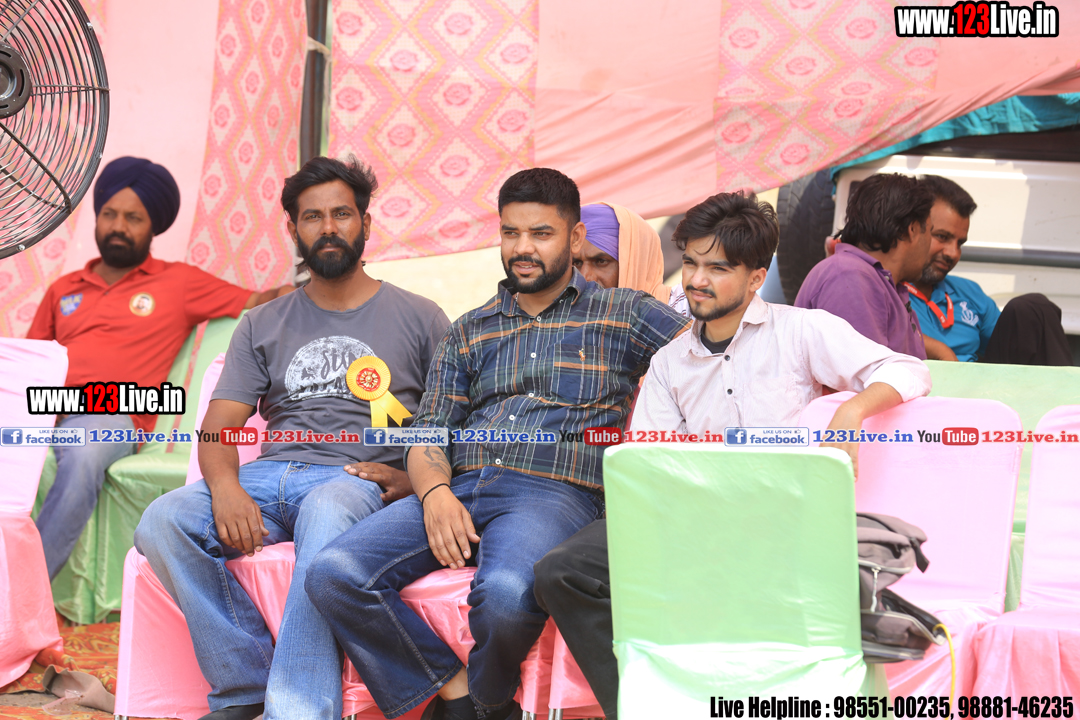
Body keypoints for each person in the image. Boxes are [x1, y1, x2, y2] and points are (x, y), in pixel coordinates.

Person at [304, 168, 691, 720]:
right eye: (512, 233)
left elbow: (711, 357)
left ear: (575, 238)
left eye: (541, 233)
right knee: (334, 574)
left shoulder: (623, 313)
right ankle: (458, 693)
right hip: (460, 486)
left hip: (554, 492)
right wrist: (435, 494)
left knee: (507, 596)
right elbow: (429, 430)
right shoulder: (470, 329)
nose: (523, 248)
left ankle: (485, 703)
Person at [533, 192, 932, 719]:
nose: (697, 280)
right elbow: (650, 460)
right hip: (691, 519)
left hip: (781, 518)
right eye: (691, 263)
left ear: (755, 277)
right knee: (560, 571)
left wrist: (852, 411)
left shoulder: (801, 330)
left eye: (718, 268)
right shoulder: (669, 362)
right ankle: (637, 706)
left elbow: (908, 369)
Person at [134, 156, 450, 720]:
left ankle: (298, 709)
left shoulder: (421, 317)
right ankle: (243, 685)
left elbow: (448, 422)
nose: (328, 228)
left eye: (341, 214)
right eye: (312, 217)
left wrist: (412, 478)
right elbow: (219, 425)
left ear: (366, 223)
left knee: (328, 512)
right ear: (293, 228)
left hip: (352, 479)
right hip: (268, 475)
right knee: (164, 520)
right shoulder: (263, 322)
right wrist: (226, 487)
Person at [26, 156, 291, 580]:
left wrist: (298, 291)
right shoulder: (64, 288)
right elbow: (32, 361)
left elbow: (257, 300)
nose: (118, 226)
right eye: (110, 214)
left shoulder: (178, 283)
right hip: (46, 412)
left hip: (112, 414)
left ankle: (21, 587)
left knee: (85, 453)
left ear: (153, 227)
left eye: (133, 218)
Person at [907, 175, 1072, 365]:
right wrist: (939, 351)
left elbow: (1010, 344)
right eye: (942, 237)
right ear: (913, 229)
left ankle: (1068, 385)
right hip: (920, 382)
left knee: (1032, 308)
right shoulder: (888, 292)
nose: (953, 253)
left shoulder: (969, 292)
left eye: (960, 243)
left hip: (979, 382)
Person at [794, 172, 934, 359]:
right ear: (913, 229)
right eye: (931, 232)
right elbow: (862, 373)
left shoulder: (871, 278)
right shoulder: (850, 277)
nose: (931, 244)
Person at [575, 202, 670, 301]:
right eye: (576, 263)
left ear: (636, 264)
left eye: (601, 261)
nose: (585, 277)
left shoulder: (677, 307)